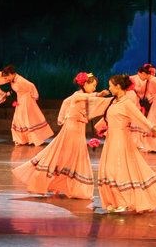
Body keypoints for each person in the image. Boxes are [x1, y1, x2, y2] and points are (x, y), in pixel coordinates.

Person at [12, 71, 109, 199]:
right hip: (72, 128)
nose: (94, 88)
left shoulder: (84, 96)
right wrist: (100, 95)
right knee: (67, 154)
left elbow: (75, 102)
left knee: (71, 156)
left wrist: (104, 99)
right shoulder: (78, 95)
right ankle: (53, 183)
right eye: (93, 85)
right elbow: (85, 98)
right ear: (85, 84)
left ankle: (63, 185)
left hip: (78, 127)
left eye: (95, 86)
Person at [94, 73, 156, 213]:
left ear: (118, 86)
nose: (109, 88)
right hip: (111, 140)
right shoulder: (113, 101)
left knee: (118, 170)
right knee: (109, 170)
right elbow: (106, 114)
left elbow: (140, 118)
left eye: (111, 85)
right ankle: (115, 201)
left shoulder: (127, 103)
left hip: (121, 140)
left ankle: (123, 202)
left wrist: (153, 129)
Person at [0, 64, 55, 146]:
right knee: (19, 119)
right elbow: (16, 90)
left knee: (28, 119)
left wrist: (35, 96)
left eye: (6, 77)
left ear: (10, 74)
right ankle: (22, 139)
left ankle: (35, 139)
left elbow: (31, 85)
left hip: (26, 100)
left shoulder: (20, 80)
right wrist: (7, 94)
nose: (6, 79)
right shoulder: (13, 80)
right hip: (20, 100)